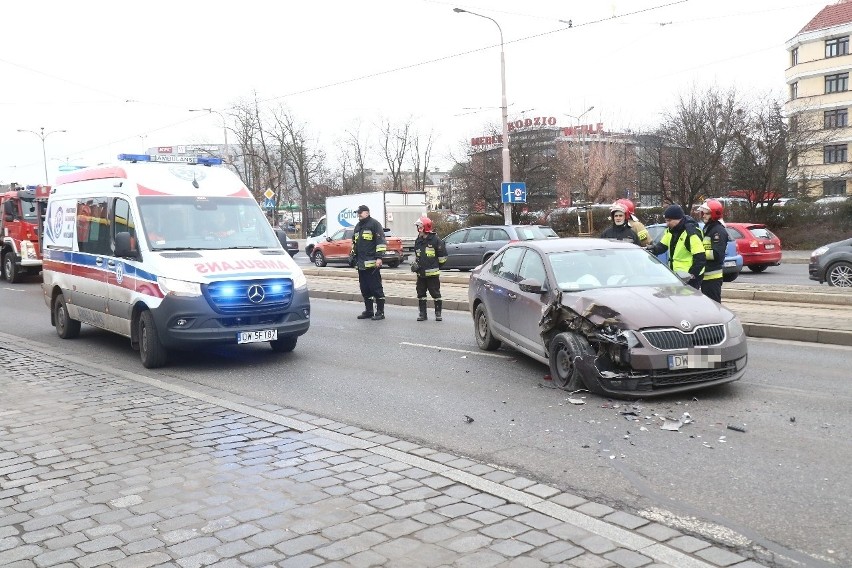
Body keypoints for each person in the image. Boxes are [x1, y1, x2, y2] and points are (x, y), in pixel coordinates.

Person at [646, 204, 705, 289]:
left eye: (669, 221)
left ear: (678, 219)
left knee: (687, 300)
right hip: (677, 276)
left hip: (689, 277)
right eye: (666, 220)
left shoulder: (691, 233)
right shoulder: (671, 231)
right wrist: (652, 249)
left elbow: (700, 257)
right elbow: (662, 246)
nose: (667, 223)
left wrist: (691, 275)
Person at [350, 204, 387, 320]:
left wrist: (379, 258)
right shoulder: (357, 227)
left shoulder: (374, 224)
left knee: (376, 288)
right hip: (361, 265)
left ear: (367, 213)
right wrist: (352, 255)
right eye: (358, 213)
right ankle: (369, 311)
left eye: (360, 212)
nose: (358, 215)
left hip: (372, 265)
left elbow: (380, 242)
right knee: (365, 289)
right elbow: (354, 244)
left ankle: (380, 312)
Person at [412, 216, 447, 321]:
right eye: (418, 227)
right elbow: (417, 256)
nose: (418, 229)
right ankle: (423, 314)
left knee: (435, 294)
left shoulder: (436, 240)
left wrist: (435, 267)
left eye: (420, 227)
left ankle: (438, 313)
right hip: (421, 274)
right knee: (421, 294)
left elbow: (443, 258)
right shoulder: (418, 240)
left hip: (432, 275)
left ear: (425, 227)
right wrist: (416, 265)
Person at [697, 199, 728, 303]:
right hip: (706, 276)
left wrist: (699, 253)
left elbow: (717, 254)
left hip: (712, 277)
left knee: (714, 305)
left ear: (715, 214)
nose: (703, 216)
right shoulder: (708, 228)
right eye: (703, 213)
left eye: (707, 214)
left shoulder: (718, 231)